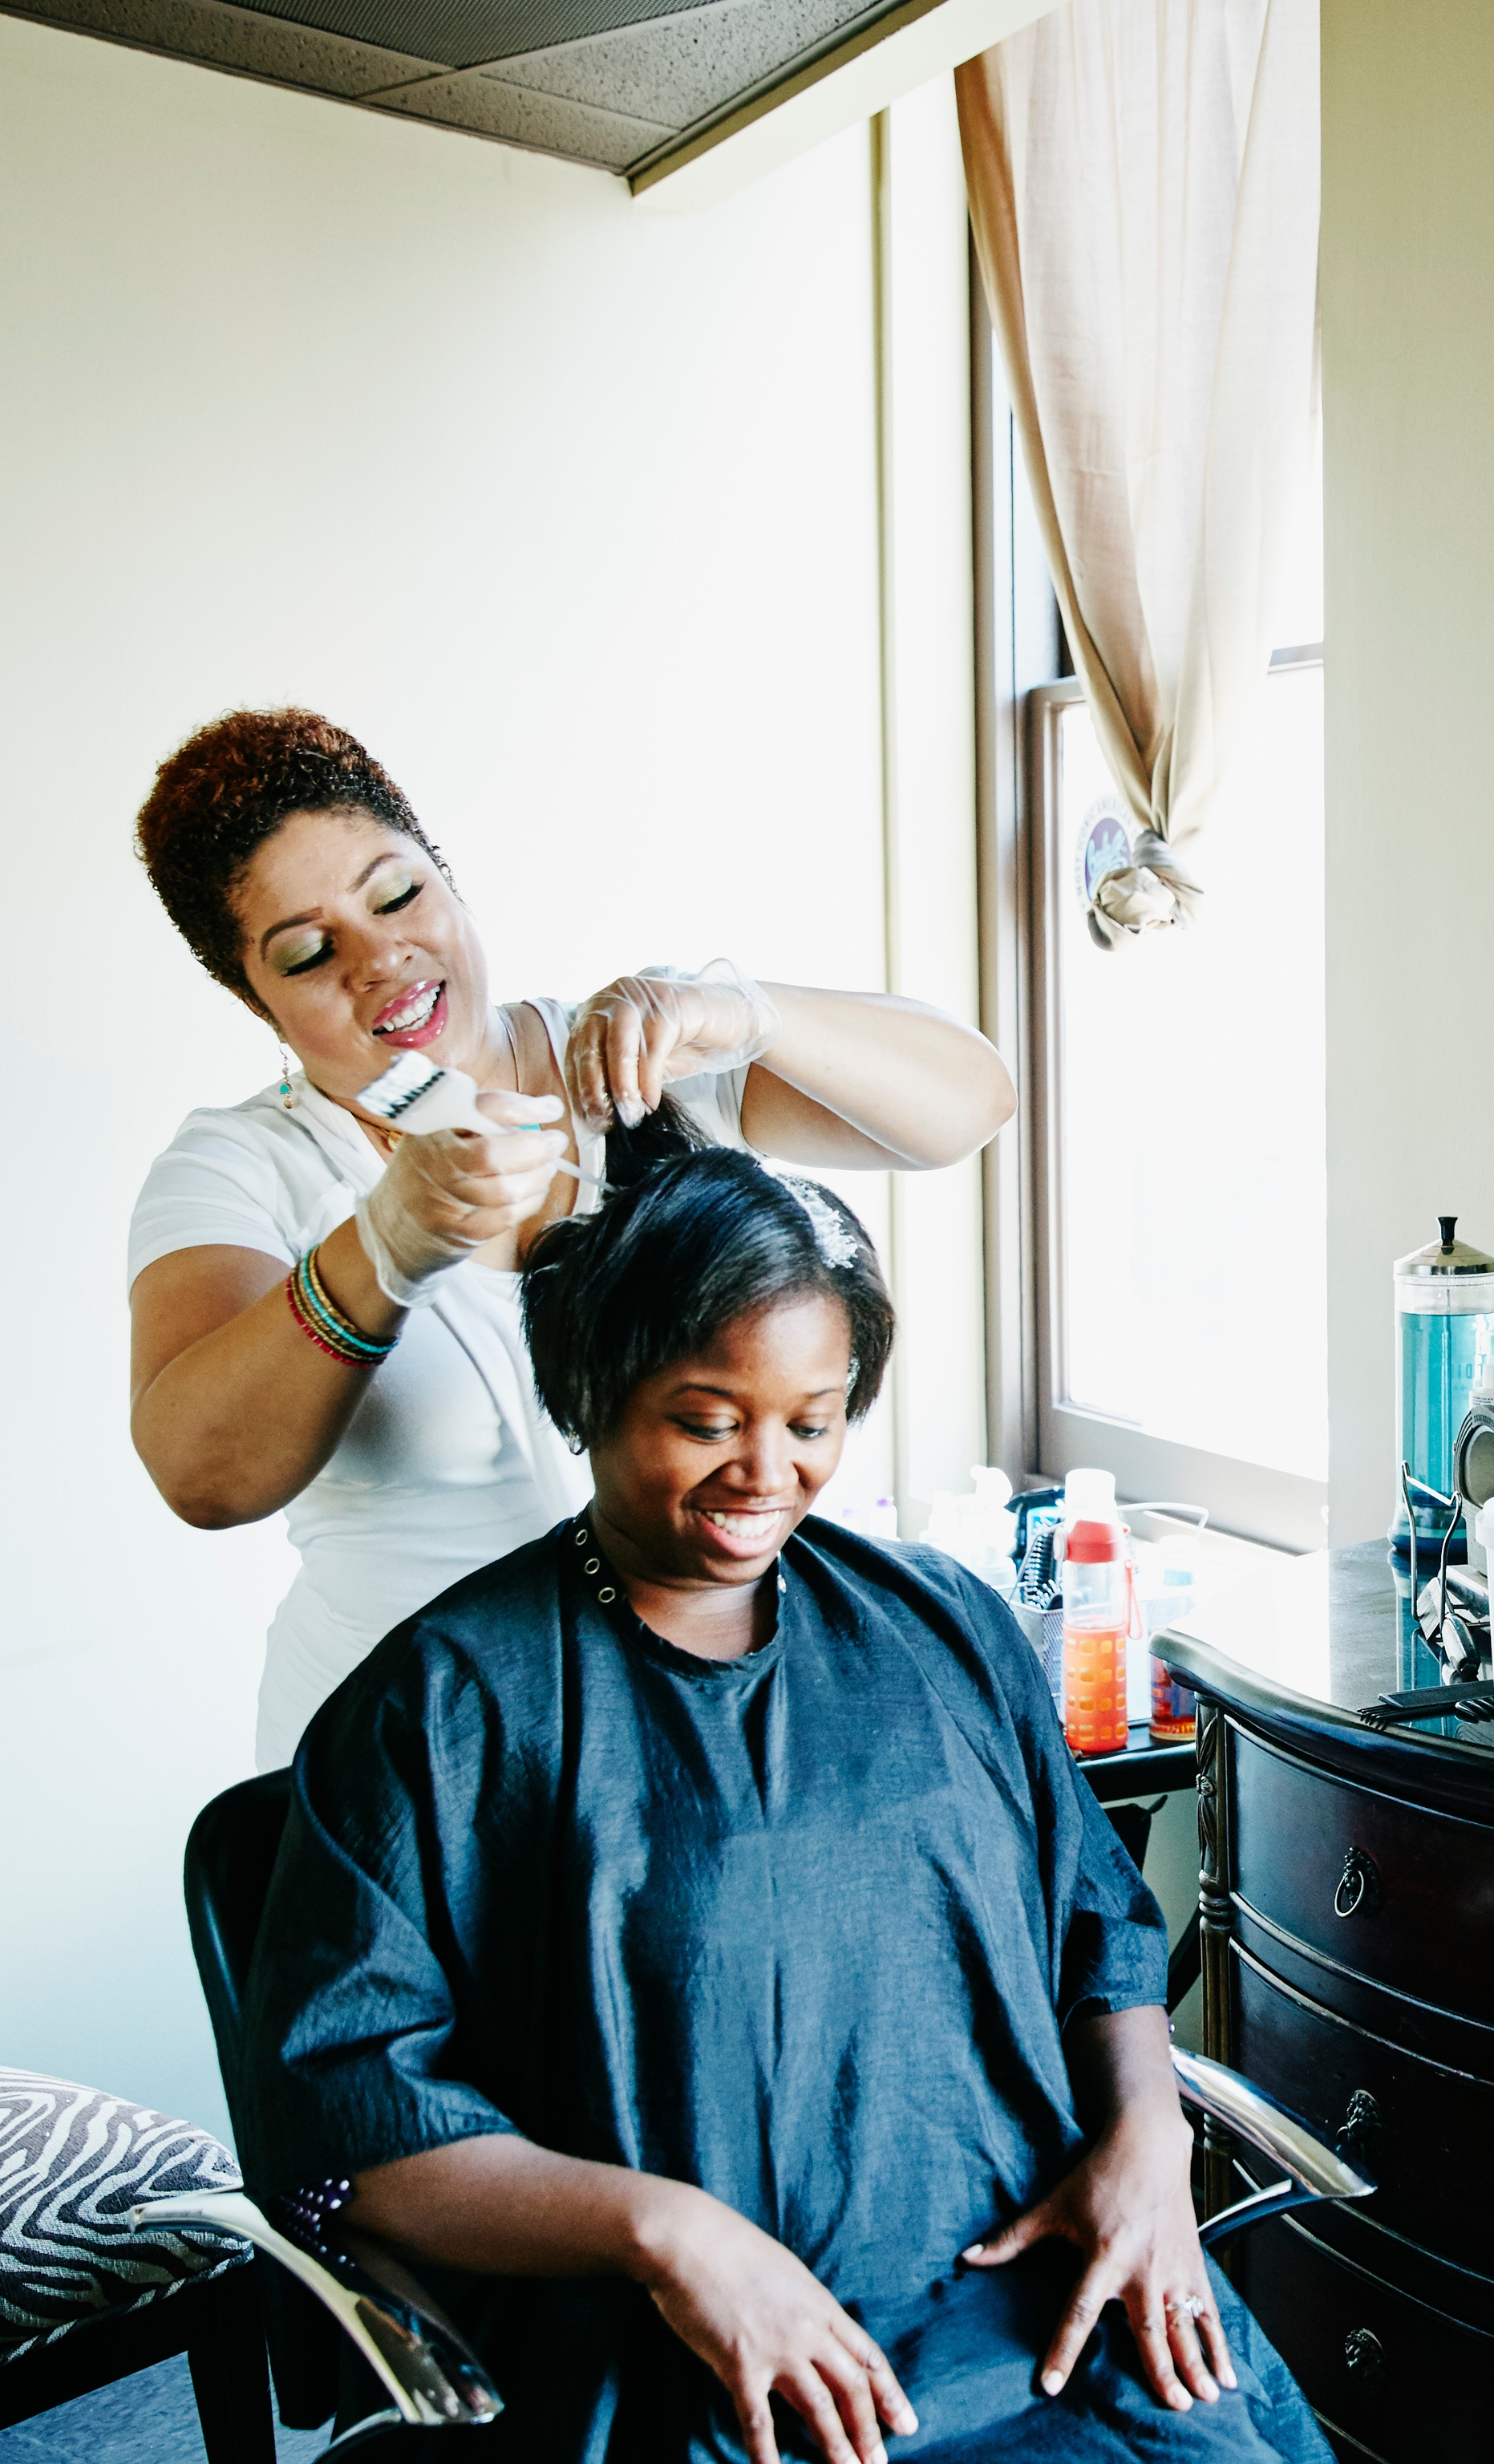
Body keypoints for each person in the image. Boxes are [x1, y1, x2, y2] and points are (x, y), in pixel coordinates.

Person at [240, 1116, 1396, 2464]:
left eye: (811, 1419)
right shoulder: (445, 1708)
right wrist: (670, 2235)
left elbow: (1100, 1928)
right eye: (701, 1420)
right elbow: (352, 2129)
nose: (762, 1472)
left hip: (1014, 2297)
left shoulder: (942, 1626)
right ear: (592, 1394)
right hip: (677, 2357)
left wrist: (1146, 2145)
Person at [123, 708, 1014, 1767]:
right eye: (311, 952)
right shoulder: (242, 1167)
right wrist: (386, 1246)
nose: (382, 958)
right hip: (411, 1758)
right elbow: (204, 1477)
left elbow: (969, 1106)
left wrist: (746, 1012)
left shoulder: (637, 1060)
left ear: (447, 877)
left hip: (671, 1741)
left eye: (398, 895)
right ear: (254, 999)